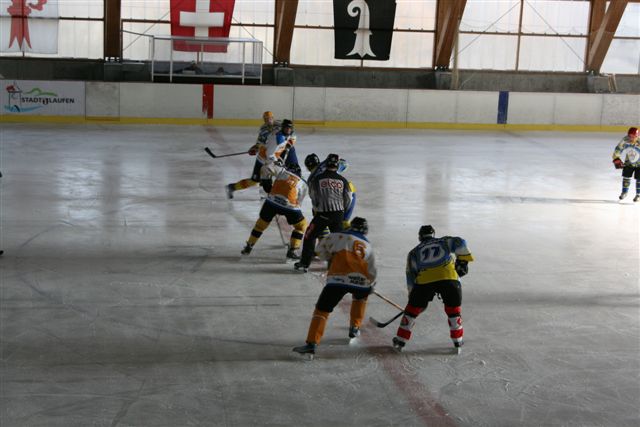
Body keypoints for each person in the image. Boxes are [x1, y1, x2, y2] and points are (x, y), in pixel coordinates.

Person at [292, 217, 376, 358]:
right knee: (360, 297)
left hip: (337, 280)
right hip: (360, 281)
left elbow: (320, 250)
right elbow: (372, 270)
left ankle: (312, 343)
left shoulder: (336, 236)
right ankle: (355, 327)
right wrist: (371, 285)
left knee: (322, 310)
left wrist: (330, 257)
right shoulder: (367, 245)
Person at [392, 225, 474, 353]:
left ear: (420, 237)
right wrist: (463, 261)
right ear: (433, 235)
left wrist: (413, 299)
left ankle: (401, 340)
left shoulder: (414, 252)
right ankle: (458, 341)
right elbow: (460, 241)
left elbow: (411, 275)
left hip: (425, 281)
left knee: (411, 312)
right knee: (453, 311)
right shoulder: (444, 241)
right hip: (449, 278)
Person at [294, 154, 353, 273]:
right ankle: (334, 265)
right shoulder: (343, 180)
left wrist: (318, 207)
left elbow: (313, 195)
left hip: (322, 214)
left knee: (310, 236)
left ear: (326, 165)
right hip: (338, 215)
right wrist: (342, 211)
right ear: (337, 166)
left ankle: (304, 264)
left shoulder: (317, 179)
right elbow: (348, 197)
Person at [240, 162, 307, 260]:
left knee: (260, 225)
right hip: (290, 207)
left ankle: (249, 246)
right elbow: (299, 202)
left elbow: (265, 168)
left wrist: (266, 183)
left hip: (271, 203)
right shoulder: (303, 183)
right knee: (301, 226)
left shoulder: (282, 171)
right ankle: (292, 251)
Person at [226, 111, 280, 199]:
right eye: (266, 119)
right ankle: (232, 187)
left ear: (273, 118)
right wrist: (254, 148)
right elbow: (259, 143)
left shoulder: (279, 126)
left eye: (270, 118)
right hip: (262, 158)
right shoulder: (263, 129)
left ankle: (265, 194)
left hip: (273, 158)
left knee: (271, 175)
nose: (268, 120)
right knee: (254, 180)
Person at [304, 153, 356, 231]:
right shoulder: (325, 166)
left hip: (324, 205)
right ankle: (345, 221)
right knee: (350, 188)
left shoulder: (310, 179)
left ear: (308, 167)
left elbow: (313, 197)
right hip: (339, 201)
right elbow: (344, 164)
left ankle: (323, 230)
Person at [612, 127, 640, 202]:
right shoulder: (625, 140)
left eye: (633, 136)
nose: (631, 138)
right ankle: (624, 192)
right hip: (629, 162)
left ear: (637, 136)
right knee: (626, 177)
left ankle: (638, 194)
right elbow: (618, 148)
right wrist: (616, 158)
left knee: (639, 179)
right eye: (630, 136)